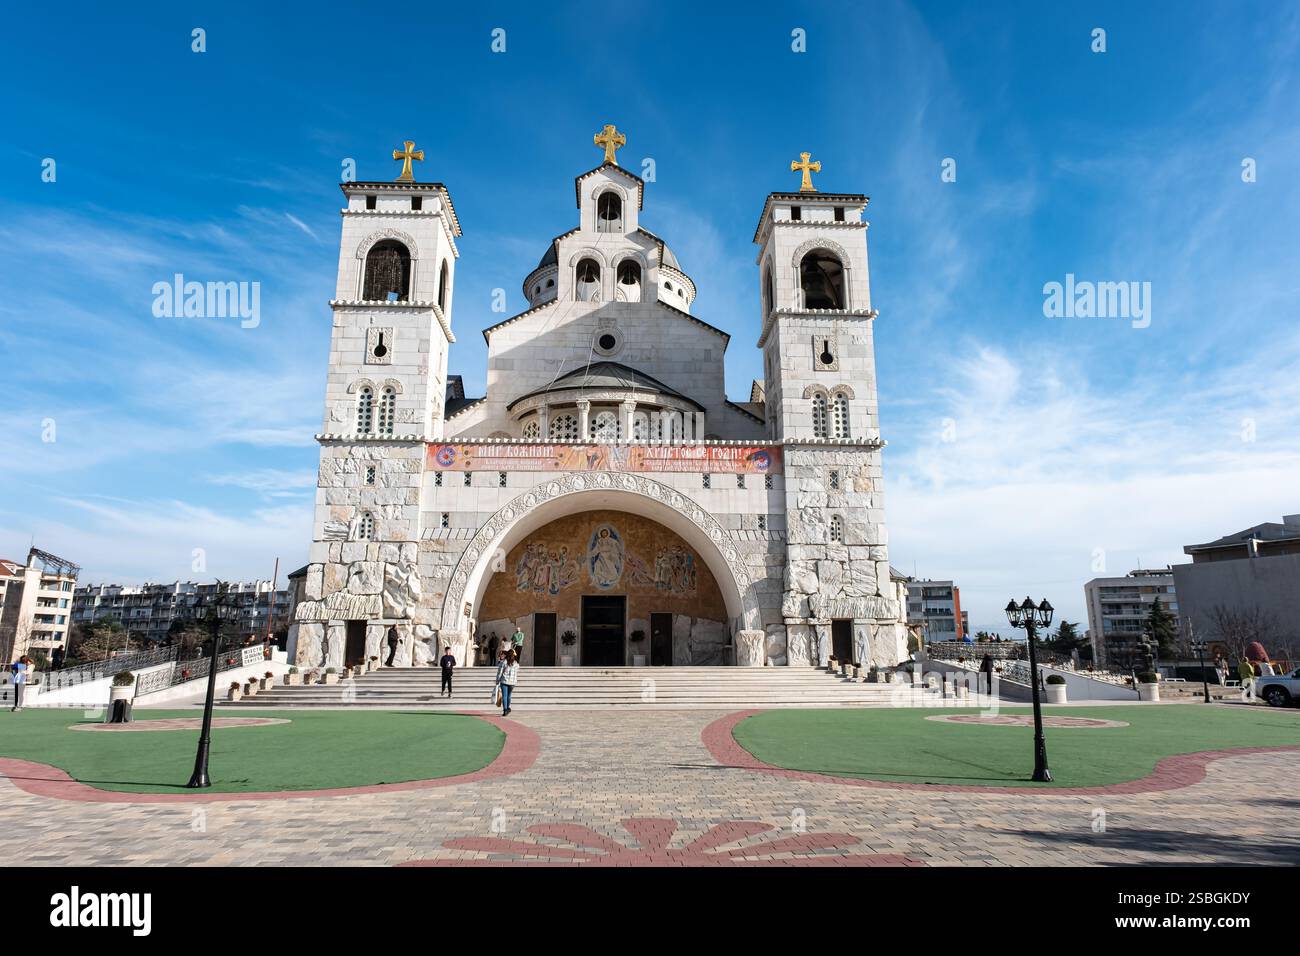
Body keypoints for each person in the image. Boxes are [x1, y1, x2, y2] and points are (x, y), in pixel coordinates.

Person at [500, 650, 519, 716]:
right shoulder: (516, 663)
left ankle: (505, 710)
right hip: (512, 682)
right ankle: (508, 708)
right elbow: (516, 672)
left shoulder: (504, 662)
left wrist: (497, 680)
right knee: (509, 695)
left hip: (504, 681)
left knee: (504, 696)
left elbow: (500, 672)